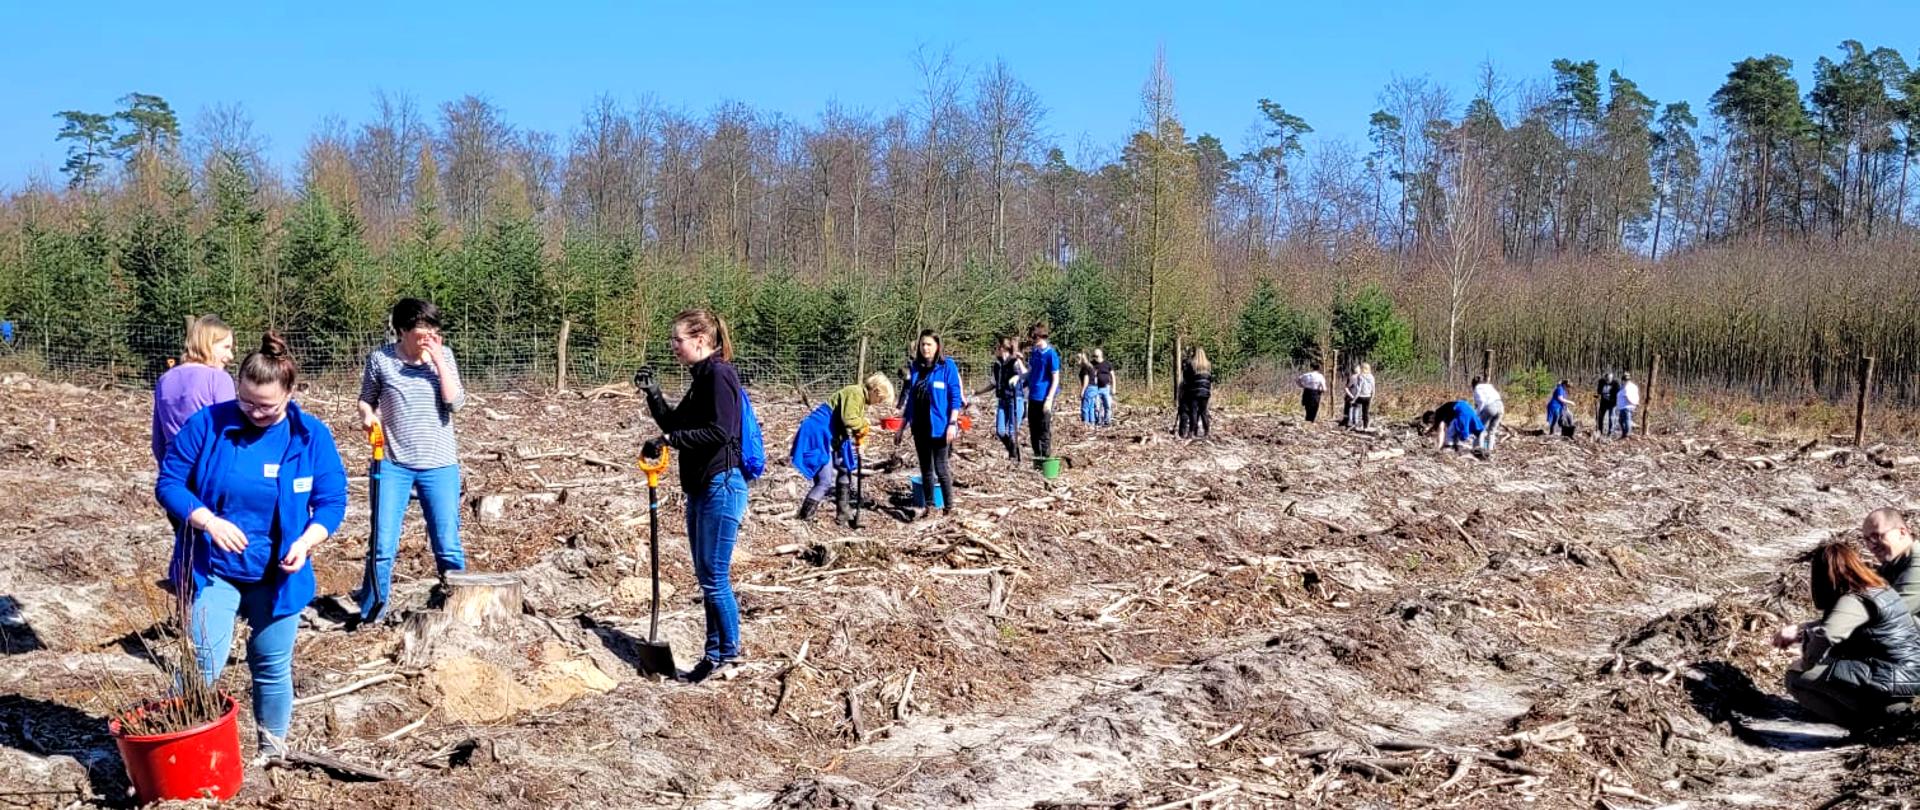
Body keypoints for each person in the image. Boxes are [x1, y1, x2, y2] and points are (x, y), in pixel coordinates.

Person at [155, 332, 348, 759]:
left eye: (266, 405)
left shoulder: (310, 436)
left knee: (271, 665)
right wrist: (207, 521)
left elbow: (332, 501)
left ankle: (271, 751)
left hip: (279, 575)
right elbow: (169, 483)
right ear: (236, 386)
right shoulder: (208, 424)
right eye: (246, 401)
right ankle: (172, 745)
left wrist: (307, 540)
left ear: (290, 393)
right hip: (216, 568)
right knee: (203, 659)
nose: (254, 412)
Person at [638, 309, 750, 682]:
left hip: (722, 485)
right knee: (706, 577)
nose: (673, 347)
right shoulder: (701, 378)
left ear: (700, 339)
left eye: (678, 340)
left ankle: (729, 656)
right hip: (701, 488)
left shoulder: (719, 375)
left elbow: (720, 431)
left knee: (715, 577)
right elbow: (675, 424)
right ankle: (712, 655)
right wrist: (653, 394)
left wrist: (671, 440)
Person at [353, 299, 467, 625]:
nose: (428, 338)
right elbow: (366, 399)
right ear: (401, 331)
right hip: (392, 463)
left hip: (440, 464)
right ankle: (372, 615)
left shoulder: (443, 357)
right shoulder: (381, 360)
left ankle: (459, 612)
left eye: (433, 331)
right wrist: (367, 416)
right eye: (421, 333)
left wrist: (439, 364)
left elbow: (455, 403)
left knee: (447, 544)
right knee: (383, 545)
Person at [1772, 540, 1920, 728]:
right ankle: (1883, 713)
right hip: (1905, 676)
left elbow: (1827, 635)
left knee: (1796, 677)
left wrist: (1807, 661)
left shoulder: (1853, 599)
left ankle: (1867, 725)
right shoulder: (1879, 588)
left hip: (1891, 680)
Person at [793, 374, 893, 525]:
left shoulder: (861, 400)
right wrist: (865, 424)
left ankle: (844, 512)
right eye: (880, 400)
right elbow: (849, 419)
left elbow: (856, 426)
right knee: (825, 480)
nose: (878, 403)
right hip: (819, 432)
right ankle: (804, 518)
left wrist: (861, 443)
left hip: (832, 433)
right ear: (876, 391)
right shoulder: (855, 393)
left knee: (845, 467)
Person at [896, 330, 966, 520]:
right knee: (926, 468)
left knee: (941, 467)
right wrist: (901, 427)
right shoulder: (916, 367)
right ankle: (929, 506)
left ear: (937, 347)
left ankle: (949, 508)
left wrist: (952, 423)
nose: (925, 348)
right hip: (920, 426)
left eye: (929, 344)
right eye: (923, 344)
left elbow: (955, 397)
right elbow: (910, 400)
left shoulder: (947, 366)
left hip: (940, 426)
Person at [152, 316, 237, 465]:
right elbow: (229, 434)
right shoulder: (219, 379)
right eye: (226, 347)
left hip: (174, 466)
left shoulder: (165, 380)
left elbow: (158, 441)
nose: (231, 356)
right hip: (208, 468)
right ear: (208, 344)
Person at [973, 337, 1027, 464]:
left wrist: (1019, 362)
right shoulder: (997, 365)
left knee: (1012, 431)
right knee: (1000, 431)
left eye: (996, 347)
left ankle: (1014, 459)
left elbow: (1025, 375)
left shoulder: (1014, 362)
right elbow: (993, 383)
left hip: (1015, 399)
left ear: (1002, 348)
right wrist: (979, 392)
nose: (995, 350)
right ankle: (1013, 450)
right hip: (1002, 400)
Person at [1863, 508, 1920, 615]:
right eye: (1867, 539)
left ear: (1902, 532)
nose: (1871, 546)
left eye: (1876, 536)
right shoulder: (1892, 565)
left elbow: (1891, 613)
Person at [1025, 323, 1062, 459]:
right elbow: (1030, 371)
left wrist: (1049, 399)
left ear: (1041, 337)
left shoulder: (1051, 355)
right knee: (1033, 429)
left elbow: (1055, 378)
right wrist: (1020, 377)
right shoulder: (1034, 353)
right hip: (1033, 396)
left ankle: (1046, 458)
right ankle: (1037, 457)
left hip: (1044, 397)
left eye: (1035, 338)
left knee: (1044, 429)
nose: (1033, 341)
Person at [1177, 348, 1213, 439]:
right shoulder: (1208, 365)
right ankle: (1206, 431)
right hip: (1205, 392)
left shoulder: (1192, 365)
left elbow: (1187, 378)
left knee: (1194, 411)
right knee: (1204, 411)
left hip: (1194, 392)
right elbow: (1210, 379)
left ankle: (1192, 431)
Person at [1471, 376, 1505, 452]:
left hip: (1490, 407)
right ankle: (1490, 450)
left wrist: (1477, 414)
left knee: (1481, 430)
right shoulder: (1489, 386)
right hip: (1501, 406)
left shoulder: (1477, 388)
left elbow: (1482, 402)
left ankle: (1479, 450)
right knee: (1492, 431)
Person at [1088, 349, 1115, 427]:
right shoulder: (1091, 364)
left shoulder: (1107, 364)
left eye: (1096, 356)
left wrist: (1114, 388)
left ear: (1101, 355)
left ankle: (1107, 421)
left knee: (1108, 405)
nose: (1095, 357)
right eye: (1094, 356)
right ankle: (1098, 421)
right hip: (1096, 388)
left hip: (1106, 387)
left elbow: (1113, 376)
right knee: (1096, 406)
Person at [1616, 372, 1642, 438]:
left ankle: (1627, 434)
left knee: (1627, 420)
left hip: (1626, 407)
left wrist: (1634, 403)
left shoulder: (1627, 387)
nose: (1624, 381)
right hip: (1623, 407)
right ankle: (1625, 434)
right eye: (1624, 380)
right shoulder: (1626, 386)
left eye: (1625, 380)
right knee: (1621, 421)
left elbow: (1628, 397)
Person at [1075, 351, 1096, 424]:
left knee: (1085, 407)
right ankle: (1092, 423)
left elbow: (1086, 380)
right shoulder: (1090, 366)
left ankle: (1086, 424)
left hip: (1089, 388)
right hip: (1094, 388)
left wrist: (1082, 391)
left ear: (1082, 359)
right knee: (1091, 407)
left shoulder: (1085, 368)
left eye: (1078, 358)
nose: (1076, 360)